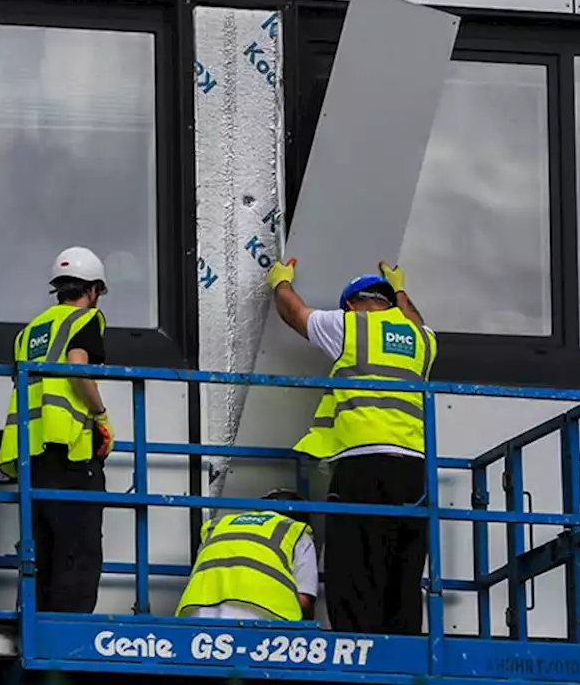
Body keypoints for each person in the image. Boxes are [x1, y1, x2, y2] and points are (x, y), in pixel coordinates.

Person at [265, 259, 436, 635]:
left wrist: (280, 282)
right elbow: (414, 320)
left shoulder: (350, 326)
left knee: (354, 563)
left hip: (363, 463)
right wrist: (401, 289)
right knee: (404, 566)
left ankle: (358, 646)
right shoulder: (423, 340)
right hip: (415, 471)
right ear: (390, 302)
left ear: (351, 304)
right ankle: (402, 652)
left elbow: (295, 313)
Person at [0, 246, 116, 613]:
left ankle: (40, 621)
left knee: (42, 547)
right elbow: (77, 366)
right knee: (78, 548)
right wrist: (100, 415)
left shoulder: (30, 331)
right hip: (69, 451)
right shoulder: (85, 321)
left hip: (31, 453)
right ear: (92, 289)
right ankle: (70, 631)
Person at [177, 490, 319, 621]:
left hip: (198, 612)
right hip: (262, 616)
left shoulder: (218, 525)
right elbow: (303, 599)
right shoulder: (296, 531)